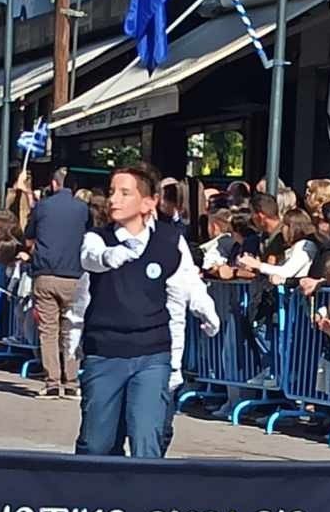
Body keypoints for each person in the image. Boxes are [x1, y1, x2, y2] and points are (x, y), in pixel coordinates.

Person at [67, 164, 218, 458]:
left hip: (152, 353)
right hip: (105, 352)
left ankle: (144, 497)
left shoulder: (170, 241)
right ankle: (94, 494)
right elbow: (90, 261)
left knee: (147, 437)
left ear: (148, 203)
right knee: (97, 444)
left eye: (125, 193)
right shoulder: (98, 238)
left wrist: (206, 311)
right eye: (112, 192)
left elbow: (183, 288)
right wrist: (112, 256)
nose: (114, 200)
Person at [23, 165, 87, 399]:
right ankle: (71, 382)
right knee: (72, 329)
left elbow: (28, 236)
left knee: (48, 330)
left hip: (46, 274)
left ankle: (52, 382)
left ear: (53, 184)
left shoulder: (43, 207)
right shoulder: (83, 209)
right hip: (75, 275)